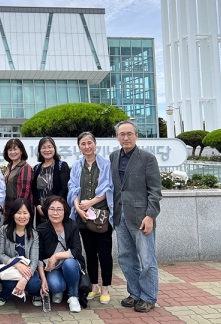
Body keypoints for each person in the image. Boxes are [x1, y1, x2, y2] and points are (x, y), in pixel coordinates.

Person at [110, 120, 162, 313]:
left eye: (129, 133)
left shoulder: (147, 158)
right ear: (117, 137)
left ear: (136, 135)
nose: (126, 137)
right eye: (122, 134)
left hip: (141, 217)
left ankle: (148, 297)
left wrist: (150, 216)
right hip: (120, 215)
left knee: (147, 259)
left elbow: (155, 191)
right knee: (125, 257)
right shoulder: (113, 157)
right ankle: (135, 293)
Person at [68, 132, 114, 304]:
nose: (87, 146)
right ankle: (94, 286)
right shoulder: (77, 166)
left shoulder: (105, 165)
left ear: (95, 144)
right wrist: (79, 210)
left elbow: (109, 188)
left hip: (101, 217)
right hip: (83, 218)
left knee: (104, 253)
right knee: (89, 253)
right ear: (79, 146)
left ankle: (105, 288)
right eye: (83, 144)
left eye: (89, 143)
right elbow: (72, 188)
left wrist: (91, 202)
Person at [37, 195, 85, 313]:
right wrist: (43, 280)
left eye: (59, 209)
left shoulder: (72, 225)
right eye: (52, 209)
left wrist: (56, 256)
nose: (55, 213)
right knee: (55, 286)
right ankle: (62, 289)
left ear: (65, 211)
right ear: (47, 210)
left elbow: (77, 251)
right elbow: (38, 256)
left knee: (69, 263)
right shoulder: (42, 229)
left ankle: (73, 296)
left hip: (71, 264)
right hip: (53, 268)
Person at [0, 198, 41, 306]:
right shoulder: (4, 230)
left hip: (27, 269)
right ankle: (4, 295)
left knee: (34, 284)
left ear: (30, 215)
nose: (22, 216)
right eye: (18, 213)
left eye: (25, 213)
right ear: (13, 214)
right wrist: (16, 264)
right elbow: (0, 254)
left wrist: (25, 279)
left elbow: (34, 260)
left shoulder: (34, 234)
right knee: (9, 284)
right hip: (10, 267)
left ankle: (35, 293)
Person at [32, 137, 70, 226]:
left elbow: (65, 188)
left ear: (54, 148)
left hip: (57, 210)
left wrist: (53, 206)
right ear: (39, 150)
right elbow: (34, 189)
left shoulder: (62, 166)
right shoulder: (37, 168)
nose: (47, 150)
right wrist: (38, 206)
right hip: (41, 211)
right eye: (43, 147)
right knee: (43, 235)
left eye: (49, 147)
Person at [3, 138, 33, 217]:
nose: (13, 152)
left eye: (15, 149)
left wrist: (18, 209)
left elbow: (25, 191)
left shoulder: (25, 167)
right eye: (10, 150)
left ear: (21, 151)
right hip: (8, 207)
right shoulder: (9, 166)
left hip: (19, 210)